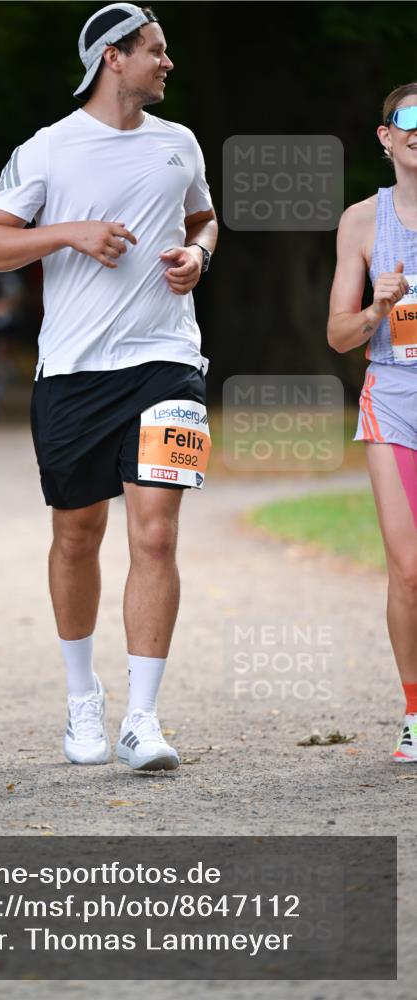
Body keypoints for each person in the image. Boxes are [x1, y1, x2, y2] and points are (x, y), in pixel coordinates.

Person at [0, 3, 217, 770]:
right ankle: (83, 699)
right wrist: (69, 232)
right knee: (76, 536)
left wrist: (199, 255)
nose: (167, 62)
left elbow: (203, 219)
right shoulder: (48, 149)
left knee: (155, 533)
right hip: (74, 372)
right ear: (112, 57)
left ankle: (142, 719)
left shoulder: (178, 143)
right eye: (155, 50)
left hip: (168, 361)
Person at [327, 83, 417, 762]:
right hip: (392, 396)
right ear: (386, 136)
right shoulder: (362, 221)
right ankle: (415, 713)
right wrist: (376, 309)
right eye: (409, 118)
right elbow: (337, 335)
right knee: (408, 570)